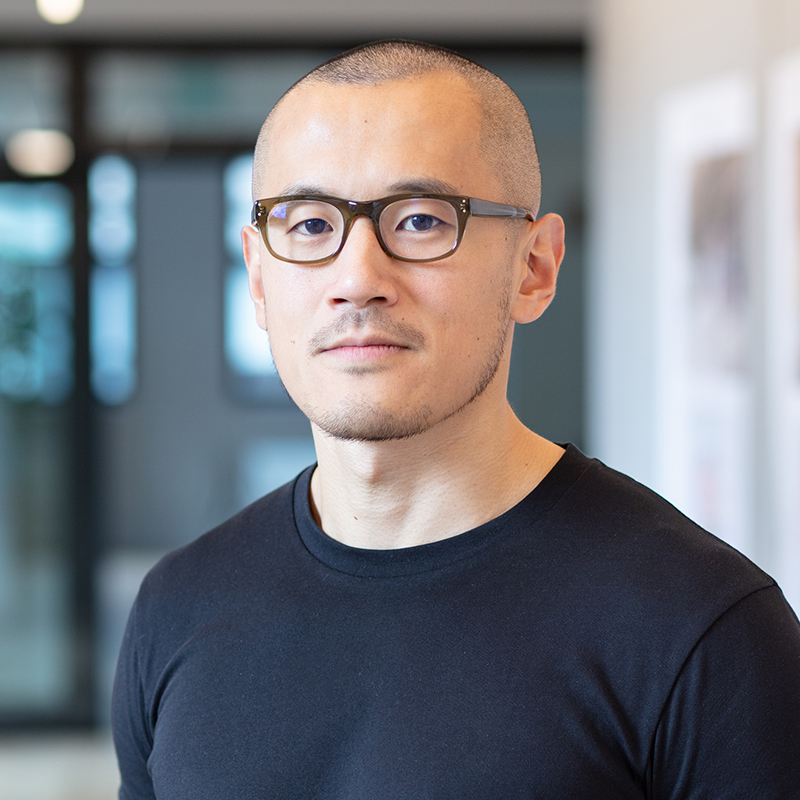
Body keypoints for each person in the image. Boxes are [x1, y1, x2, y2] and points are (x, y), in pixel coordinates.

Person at [112, 40, 800, 799]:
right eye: (309, 225)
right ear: (259, 277)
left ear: (534, 269)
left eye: (419, 220)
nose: (357, 279)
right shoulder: (176, 608)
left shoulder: (704, 632)